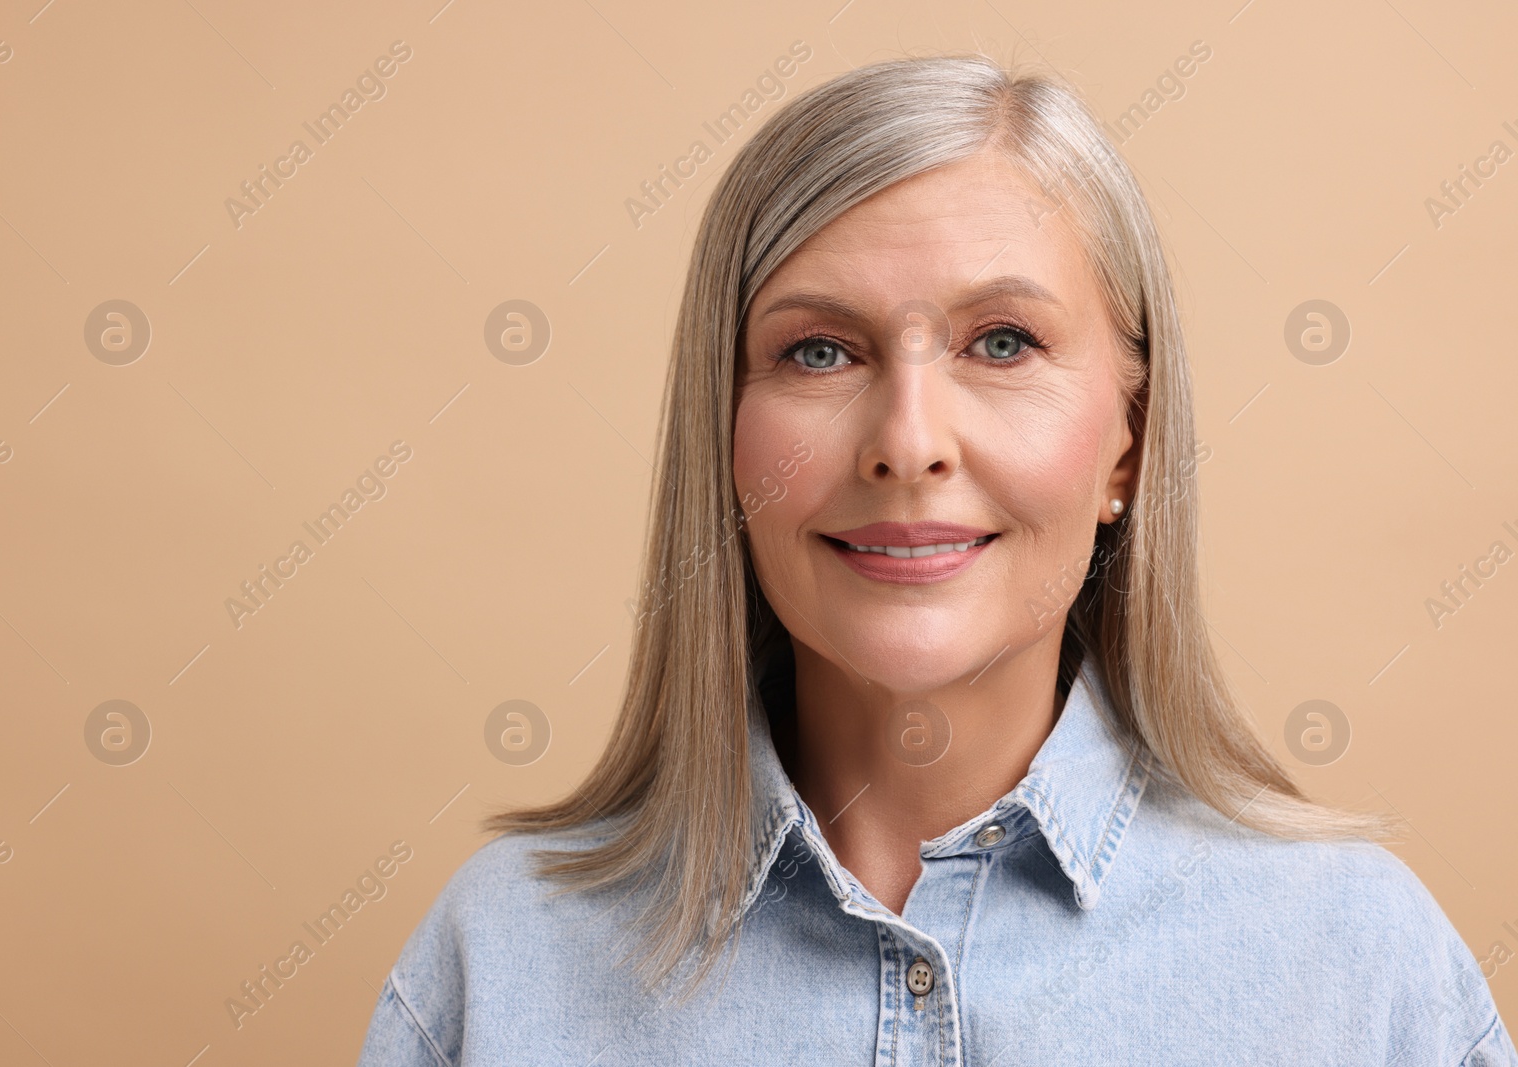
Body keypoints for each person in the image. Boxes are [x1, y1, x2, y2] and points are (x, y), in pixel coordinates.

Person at [356, 53, 1516, 1065]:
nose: (906, 442)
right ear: (718, 437)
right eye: (817, 350)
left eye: (1001, 342)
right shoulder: (501, 963)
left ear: (1130, 440)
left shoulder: (1359, 967)